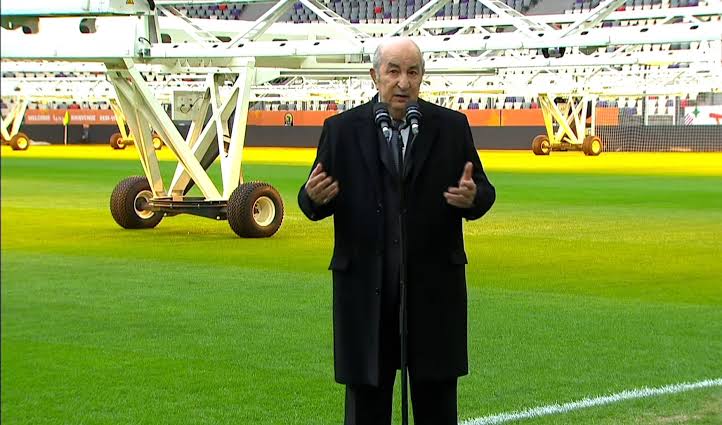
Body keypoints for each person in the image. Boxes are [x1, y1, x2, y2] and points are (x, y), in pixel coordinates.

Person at [298, 37, 496, 425]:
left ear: (422, 77)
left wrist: (473, 197)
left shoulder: (451, 127)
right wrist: (313, 198)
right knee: (366, 407)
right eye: (393, 71)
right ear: (375, 76)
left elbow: (484, 192)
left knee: (437, 404)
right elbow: (311, 200)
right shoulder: (341, 130)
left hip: (433, 293)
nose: (403, 82)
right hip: (365, 294)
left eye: (412, 72)